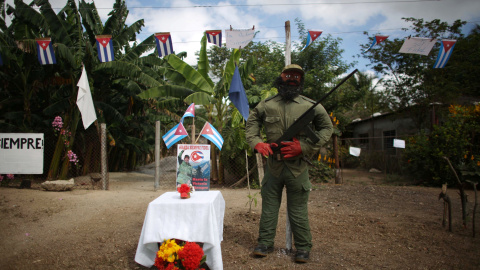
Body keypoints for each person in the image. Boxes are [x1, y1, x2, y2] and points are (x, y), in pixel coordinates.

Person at [245, 64, 333, 263]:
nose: (292, 78)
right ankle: (265, 243)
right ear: (281, 76)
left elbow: (327, 128)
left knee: (298, 209)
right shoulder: (266, 105)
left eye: (297, 76)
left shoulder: (310, 106)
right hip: (273, 166)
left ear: (301, 80)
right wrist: (257, 142)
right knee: (269, 207)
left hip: (297, 167)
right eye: (288, 74)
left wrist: (304, 147)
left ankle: (302, 247)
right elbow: (251, 125)